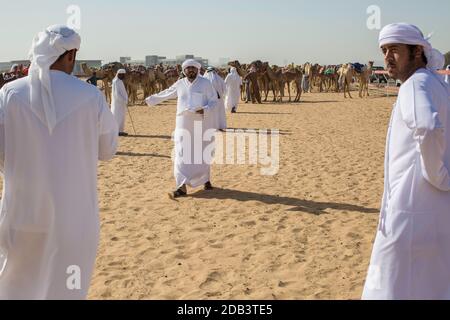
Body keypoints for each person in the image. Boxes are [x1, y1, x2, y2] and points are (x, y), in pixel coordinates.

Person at [0, 25, 118, 299]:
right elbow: (108, 150)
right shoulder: (91, 96)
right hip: (74, 222)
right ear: (71, 55)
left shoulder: (9, 94)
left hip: (22, 217)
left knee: (16, 287)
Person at [362, 23, 450, 300]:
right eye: (384, 50)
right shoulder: (435, 82)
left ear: (417, 52)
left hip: (409, 212)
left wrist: (439, 176)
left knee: (389, 285)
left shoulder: (414, 85)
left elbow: (427, 127)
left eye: (395, 49)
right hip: (433, 213)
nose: (387, 56)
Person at [145, 59, 218, 198]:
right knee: (180, 153)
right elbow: (167, 93)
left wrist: (205, 109)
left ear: (197, 70)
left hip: (199, 124)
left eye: (193, 68)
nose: (190, 70)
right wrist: (151, 99)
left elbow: (214, 101)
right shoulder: (180, 84)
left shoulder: (206, 83)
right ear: (184, 70)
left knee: (201, 153)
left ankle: (205, 179)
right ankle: (181, 186)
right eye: (188, 68)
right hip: (182, 123)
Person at [111, 69, 129, 136]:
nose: (124, 76)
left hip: (121, 103)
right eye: (123, 75)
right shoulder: (116, 82)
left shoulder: (119, 81)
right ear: (119, 74)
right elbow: (117, 94)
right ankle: (116, 131)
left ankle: (120, 131)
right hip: (118, 103)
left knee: (121, 117)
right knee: (117, 116)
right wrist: (123, 100)